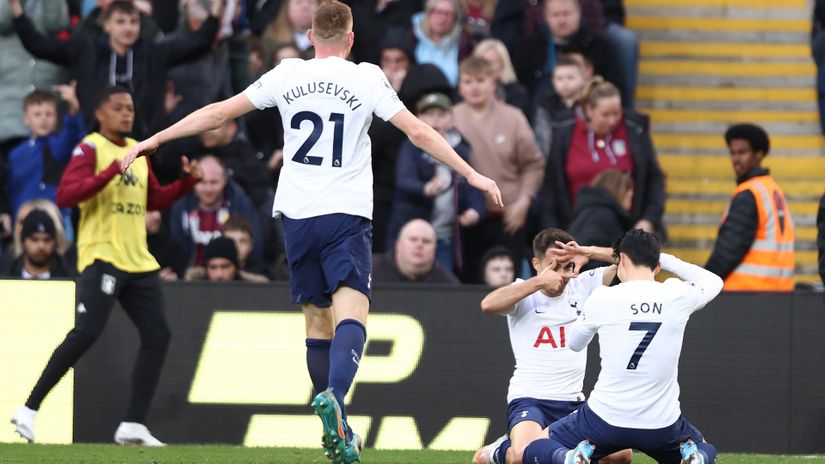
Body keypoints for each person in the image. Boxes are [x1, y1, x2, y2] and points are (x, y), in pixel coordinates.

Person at [120, 2, 501, 461]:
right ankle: (335, 400)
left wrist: (156, 138)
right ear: (351, 39)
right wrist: (471, 174)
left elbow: (220, 112)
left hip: (297, 217)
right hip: (345, 214)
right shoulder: (366, 77)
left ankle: (339, 431)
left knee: (317, 323)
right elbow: (418, 132)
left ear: (310, 37)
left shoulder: (287, 74)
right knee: (352, 318)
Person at [10, 86, 202, 446]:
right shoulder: (90, 148)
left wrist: (187, 183)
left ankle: (133, 424)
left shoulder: (139, 151)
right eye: (118, 108)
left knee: (158, 335)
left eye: (130, 108)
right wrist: (112, 170)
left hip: (138, 260)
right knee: (86, 332)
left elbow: (152, 200)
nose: (127, 113)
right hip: (103, 255)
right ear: (100, 113)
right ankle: (29, 409)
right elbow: (66, 195)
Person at [520, 229, 723, 464]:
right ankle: (697, 458)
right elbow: (714, 281)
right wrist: (666, 259)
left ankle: (568, 458)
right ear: (657, 265)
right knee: (704, 447)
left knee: (536, 448)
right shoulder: (677, 293)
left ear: (622, 259)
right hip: (661, 424)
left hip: (603, 420)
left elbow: (574, 344)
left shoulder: (602, 297)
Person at [472, 228, 631, 464]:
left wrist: (587, 252)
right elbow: (487, 305)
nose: (561, 275)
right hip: (530, 400)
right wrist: (538, 281)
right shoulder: (524, 291)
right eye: (553, 267)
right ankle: (498, 450)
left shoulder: (583, 284)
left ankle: (532, 442)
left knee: (621, 456)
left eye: (567, 266)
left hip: (572, 402)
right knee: (521, 456)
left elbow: (630, 260)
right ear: (536, 264)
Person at [9, 0, 223, 137]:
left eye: (133, 22)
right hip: (95, 144)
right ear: (107, 25)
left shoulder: (153, 52)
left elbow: (199, 43)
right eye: (120, 22)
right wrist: (15, 7)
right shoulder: (86, 50)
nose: (128, 28)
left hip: (144, 145)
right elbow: (39, 45)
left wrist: (218, 7)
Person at [453, 56, 544, 282]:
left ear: (493, 83)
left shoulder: (514, 117)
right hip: (467, 217)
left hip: (509, 216)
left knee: (510, 281)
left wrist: (524, 201)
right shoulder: (451, 119)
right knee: (469, 281)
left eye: (480, 80)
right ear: (459, 86)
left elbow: (533, 164)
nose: (474, 87)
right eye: (468, 81)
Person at [541, 77, 666, 237]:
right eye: (605, 114)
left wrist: (648, 219)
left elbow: (654, 179)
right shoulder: (564, 132)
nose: (612, 120)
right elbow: (551, 188)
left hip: (628, 231)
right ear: (589, 110)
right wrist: (553, 234)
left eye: (616, 113)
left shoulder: (635, 130)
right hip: (576, 230)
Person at [387, 91, 485, 273]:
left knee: (442, 281)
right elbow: (403, 180)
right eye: (429, 114)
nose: (435, 120)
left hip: (446, 235)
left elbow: (472, 186)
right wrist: (425, 189)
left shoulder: (461, 150)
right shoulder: (410, 147)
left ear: (451, 119)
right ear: (418, 118)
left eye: (441, 114)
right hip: (413, 231)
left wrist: (475, 210)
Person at [705, 124, 795, 291]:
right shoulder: (773, 189)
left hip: (745, 293)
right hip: (778, 293)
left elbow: (727, 252)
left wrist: (700, 285)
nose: (736, 159)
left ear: (759, 154)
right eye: (733, 153)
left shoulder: (749, 194)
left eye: (742, 153)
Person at [168, 155, 263, 274]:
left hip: (233, 279)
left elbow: (255, 245)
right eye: (202, 182)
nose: (208, 189)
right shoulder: (180, 206)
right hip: (190, 278)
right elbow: (175, 248)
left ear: (225, 179)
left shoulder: (240, 204)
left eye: (214, 182)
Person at [6, 87, 85, 229]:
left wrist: (73, 108)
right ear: (26, 119)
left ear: (57, 117)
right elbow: (11, 190)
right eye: (37, 114)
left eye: (49, 114)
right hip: (23, 220)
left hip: (57, 218)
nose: (43, 119)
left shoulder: (58, 145)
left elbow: (73, 137)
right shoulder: (15, 154)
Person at [568, 169, 633, 270]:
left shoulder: (588, 210)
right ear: (621, 191)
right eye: (630, 195)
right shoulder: (608, 217)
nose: (630, 201)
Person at [373, 218, 461, 284]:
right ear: (398, 244)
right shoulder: (370, 272)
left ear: (435, 249)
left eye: (426, 241)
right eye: (413, 239)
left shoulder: (448, 284)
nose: (419, 245)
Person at [533, 54, 587, 157]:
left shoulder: (588, 104)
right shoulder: (546, 105)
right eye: (559, 78)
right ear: (553, 81)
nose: (565, 82)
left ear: (582, 79)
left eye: (570, 78)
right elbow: (542, 140)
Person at [0, 208, 73, 279]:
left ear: (55, 243)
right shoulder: (5, 276)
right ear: (23, 241)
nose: (41, 246)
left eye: (47, 240)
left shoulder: (71, 278)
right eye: (34, 239)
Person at [473, 38, 531, 121]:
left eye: (490, 63)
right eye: (481, 62)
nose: (485, 67)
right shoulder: (465, 90)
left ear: (503, 64)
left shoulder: (517, 93)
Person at [184, 235, 269, 282]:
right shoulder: (191, 293)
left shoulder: (255, 292)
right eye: (213, 267)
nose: (219, 275)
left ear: (236, 267)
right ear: (206, 269)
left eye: (225, 267)